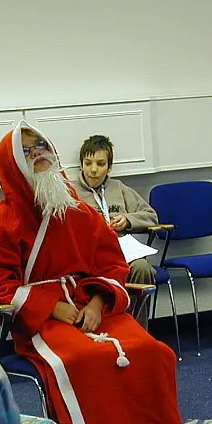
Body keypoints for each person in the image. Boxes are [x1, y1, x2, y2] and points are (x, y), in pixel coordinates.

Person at [0, 124, 210, 424]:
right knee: (83, 362)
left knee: (153, 352)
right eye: (28, 150)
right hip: (42, 321)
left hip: (90, 305)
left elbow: (111, 261)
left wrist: (99, 299)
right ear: (12, 165)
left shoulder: (76, 208)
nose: (39, 152)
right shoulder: (2, 219)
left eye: (42, 144)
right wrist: (49, 306)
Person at [71, 134, 158, 327]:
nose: (93, 170)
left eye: (100, 164)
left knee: (143, 268)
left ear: (109, 167)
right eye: (88, 163)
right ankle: (114, 330)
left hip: (123, 251)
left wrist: (127, 220)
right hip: (91, 255)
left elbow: (151, 215)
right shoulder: (71, 191)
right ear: (81, 165)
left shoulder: (118, 188)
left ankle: (139, 330)